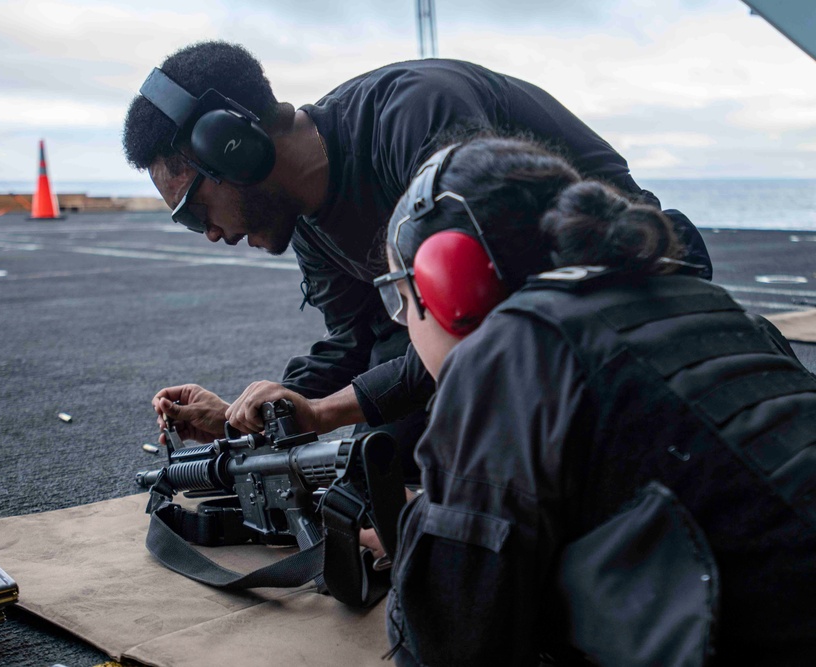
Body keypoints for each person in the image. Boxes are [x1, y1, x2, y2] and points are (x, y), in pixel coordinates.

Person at [123, 41, 712, 461]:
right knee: (383, 458)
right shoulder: (306, 219)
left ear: (232, 149)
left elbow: (488, 318)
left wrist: (327, 414)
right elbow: (357, 344)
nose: (210, 235)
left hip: (624, 288)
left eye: (195, 210)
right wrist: (247, 417)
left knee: (469, 467)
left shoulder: (416, 113)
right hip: (504, 327)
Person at [372, 135, 816, 665]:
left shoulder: (514, 352)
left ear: (451, 284)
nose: (406, 325)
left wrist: (422, 541)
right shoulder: (714, 307)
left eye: (402, 299)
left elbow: (451, 642)